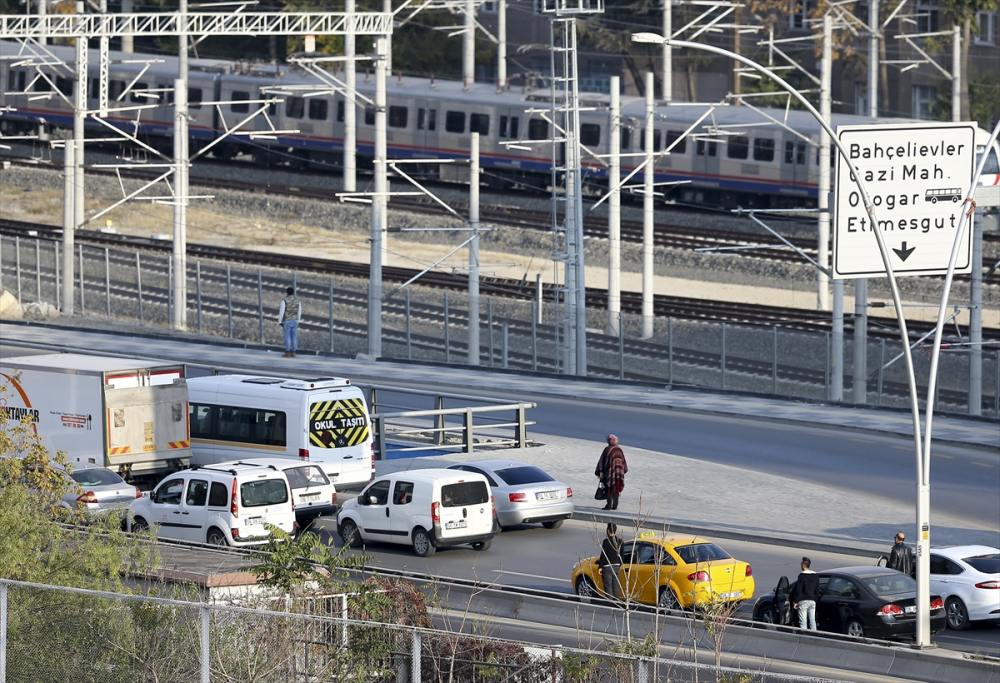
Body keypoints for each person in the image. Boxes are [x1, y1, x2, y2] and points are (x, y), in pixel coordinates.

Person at [595, 434, 628, 511]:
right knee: (616, 487)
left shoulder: (607, 449)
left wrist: (601, 471)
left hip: (609, 472)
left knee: (608, 487)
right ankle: (615, 505)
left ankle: (609, 505)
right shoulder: (619, 450)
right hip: (618, 473)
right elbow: (623, 463)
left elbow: (602, 461)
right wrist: (621, 471)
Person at [789, 556, 820, 631]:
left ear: (803, 565)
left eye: (801, 563)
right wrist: (815, 599)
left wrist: (795, 601)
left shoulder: (802, 576)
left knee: (803, 622)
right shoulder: (816, 576)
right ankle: (814, 636)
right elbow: (817, 590)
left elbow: (798, 590)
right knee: (812, 621)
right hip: (812, 601)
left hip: (803, 601)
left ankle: (804, 636)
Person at [598, 523, 623, 601]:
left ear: (608, 531)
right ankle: (617, 604)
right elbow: (622, 556)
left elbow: (603, 555)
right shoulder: (620, 541)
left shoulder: (606, 541)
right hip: (616, 566)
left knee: (608, 588)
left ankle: (609, 605)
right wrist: (619, 564)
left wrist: (600, 566)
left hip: (607, 567)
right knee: (616, 588)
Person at [277, 286, 302, 357]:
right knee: (294, 336)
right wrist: (298, 320)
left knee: (287, 336)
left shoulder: (284, 301)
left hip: (287, 320)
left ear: (287, 293)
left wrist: (280, 321)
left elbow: (282, 311)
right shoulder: (298, 301)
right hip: (295, 321)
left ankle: (287, 351)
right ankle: (293, 351)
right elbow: (299, 311)